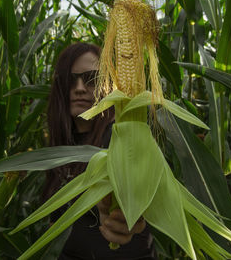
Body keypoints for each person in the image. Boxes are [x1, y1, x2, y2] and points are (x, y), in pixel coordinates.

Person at [44, 42, 156, 259]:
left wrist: (126, 216)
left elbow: (137, 194)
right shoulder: (59, 146)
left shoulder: (120, 138)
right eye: (70, 79)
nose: (79, 88)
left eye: (91, 79)